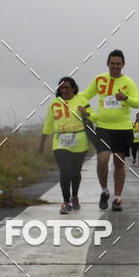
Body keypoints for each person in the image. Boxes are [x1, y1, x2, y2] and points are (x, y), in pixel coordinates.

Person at [81, 49, 139, 211]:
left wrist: (125, 98)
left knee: (119, 164)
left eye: (118, 64)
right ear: (107, 64)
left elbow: (137, 103)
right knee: (102, 160)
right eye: (112, 63)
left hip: (122, 129)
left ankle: (117, 198)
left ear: (123, 65)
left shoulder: (129, 82)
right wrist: (90, 114)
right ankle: (104, 191)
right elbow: (83, 97)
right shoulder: (99, 80)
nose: (115, 66)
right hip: (103, 128)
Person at [39, 76, 94, 214]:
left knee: (75, 172)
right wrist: (42, 143)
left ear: (73, 88)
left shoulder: (82, 100)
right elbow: (48, 124)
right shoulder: (54, 104)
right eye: (61, 88)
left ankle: (74, 196)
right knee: (65, 170)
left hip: (79, 141)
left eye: (67, 87)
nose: (64, 90)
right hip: (60, 141)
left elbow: (93, 116)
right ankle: (66, 202)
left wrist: (85, 113)